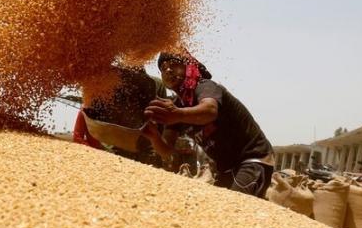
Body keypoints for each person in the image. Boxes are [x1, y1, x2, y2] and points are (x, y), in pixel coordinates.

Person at [141, 52, 274, 197]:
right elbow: (166, 150)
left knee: (235, 208)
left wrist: (177, 114)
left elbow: (210, 111)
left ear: (189, 67)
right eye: (163, 68)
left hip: (252, 159)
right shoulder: (177, 105)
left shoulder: (205, 87)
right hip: (225, 168)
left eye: (174, 65)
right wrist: (154, 136)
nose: (167, 70)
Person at [72, 65, 168, 166]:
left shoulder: (156, 84)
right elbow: (78, 136)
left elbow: (162, 122)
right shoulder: (108, 85)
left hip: (146, 148)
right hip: (115, 151)